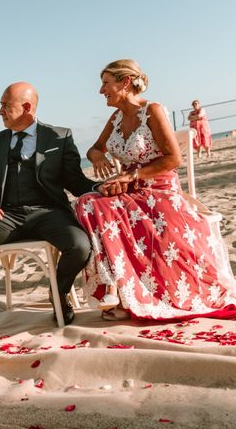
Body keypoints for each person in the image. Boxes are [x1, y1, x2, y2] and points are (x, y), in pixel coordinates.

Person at [75, 59, 236, 321]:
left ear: (125, 82)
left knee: (95, 204)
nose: (101, 90)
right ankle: (115, 287)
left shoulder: (153, 110)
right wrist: (96, 157)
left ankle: (117, 289)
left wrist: (132, 175)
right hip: (129, 192)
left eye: (105, 83)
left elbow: (173, 159)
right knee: (86, 202)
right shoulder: (115, 118)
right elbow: (94, 148)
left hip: (159, 190)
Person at [0, 82, 97, 338]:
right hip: (7, 217)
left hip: (50, 214)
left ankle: (59, 293)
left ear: (27, 107)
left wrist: (100, 188)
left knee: (80, 245)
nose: (0, 112)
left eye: (5, 106)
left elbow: (75, 181)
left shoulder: (59, 136)